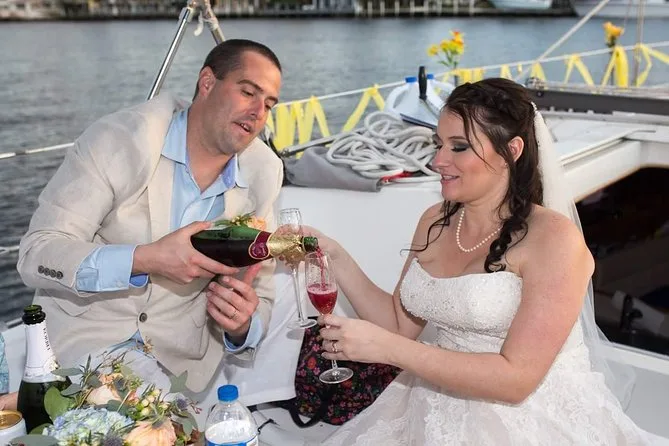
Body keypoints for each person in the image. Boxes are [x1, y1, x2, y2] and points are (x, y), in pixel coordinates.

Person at [305, 78, 657, 444]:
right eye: (438, 144)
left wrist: (389, 350)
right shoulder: (434, 220)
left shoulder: (554, 240)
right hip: (431, 404)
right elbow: (397, 324)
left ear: (512, 150)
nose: (437, 161)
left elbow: (517, 380)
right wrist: (335, 255)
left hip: (526, 418)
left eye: (459, 147)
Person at [16, 39, 284, 394]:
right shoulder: (118, 140)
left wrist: (242, 325)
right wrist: (144, 259)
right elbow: (37, 253)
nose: (258, 112)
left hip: (175, 372)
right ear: (207, 82)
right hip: (79, 352)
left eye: (269, 104)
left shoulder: (264, 171)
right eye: (248, 92)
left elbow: (261, 290)